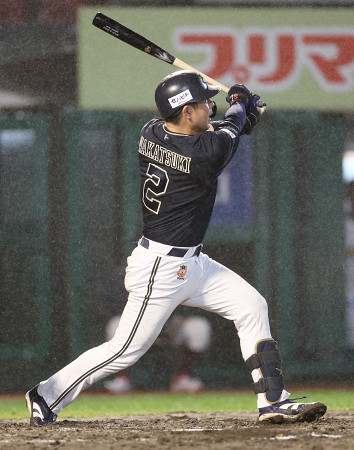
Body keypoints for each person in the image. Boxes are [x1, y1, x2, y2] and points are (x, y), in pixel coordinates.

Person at [25, 70, 327, 426]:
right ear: (185, 112)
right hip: (160, 267)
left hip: (195, 262)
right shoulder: (202, 155)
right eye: (202, 103)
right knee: (125, 350)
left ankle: (273, 401)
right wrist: (240, 105)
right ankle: (46, 394)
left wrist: (240, 116)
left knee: (251, 306)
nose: (209, 107)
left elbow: (218, 134)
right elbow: (220, 138)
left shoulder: (151, 131)